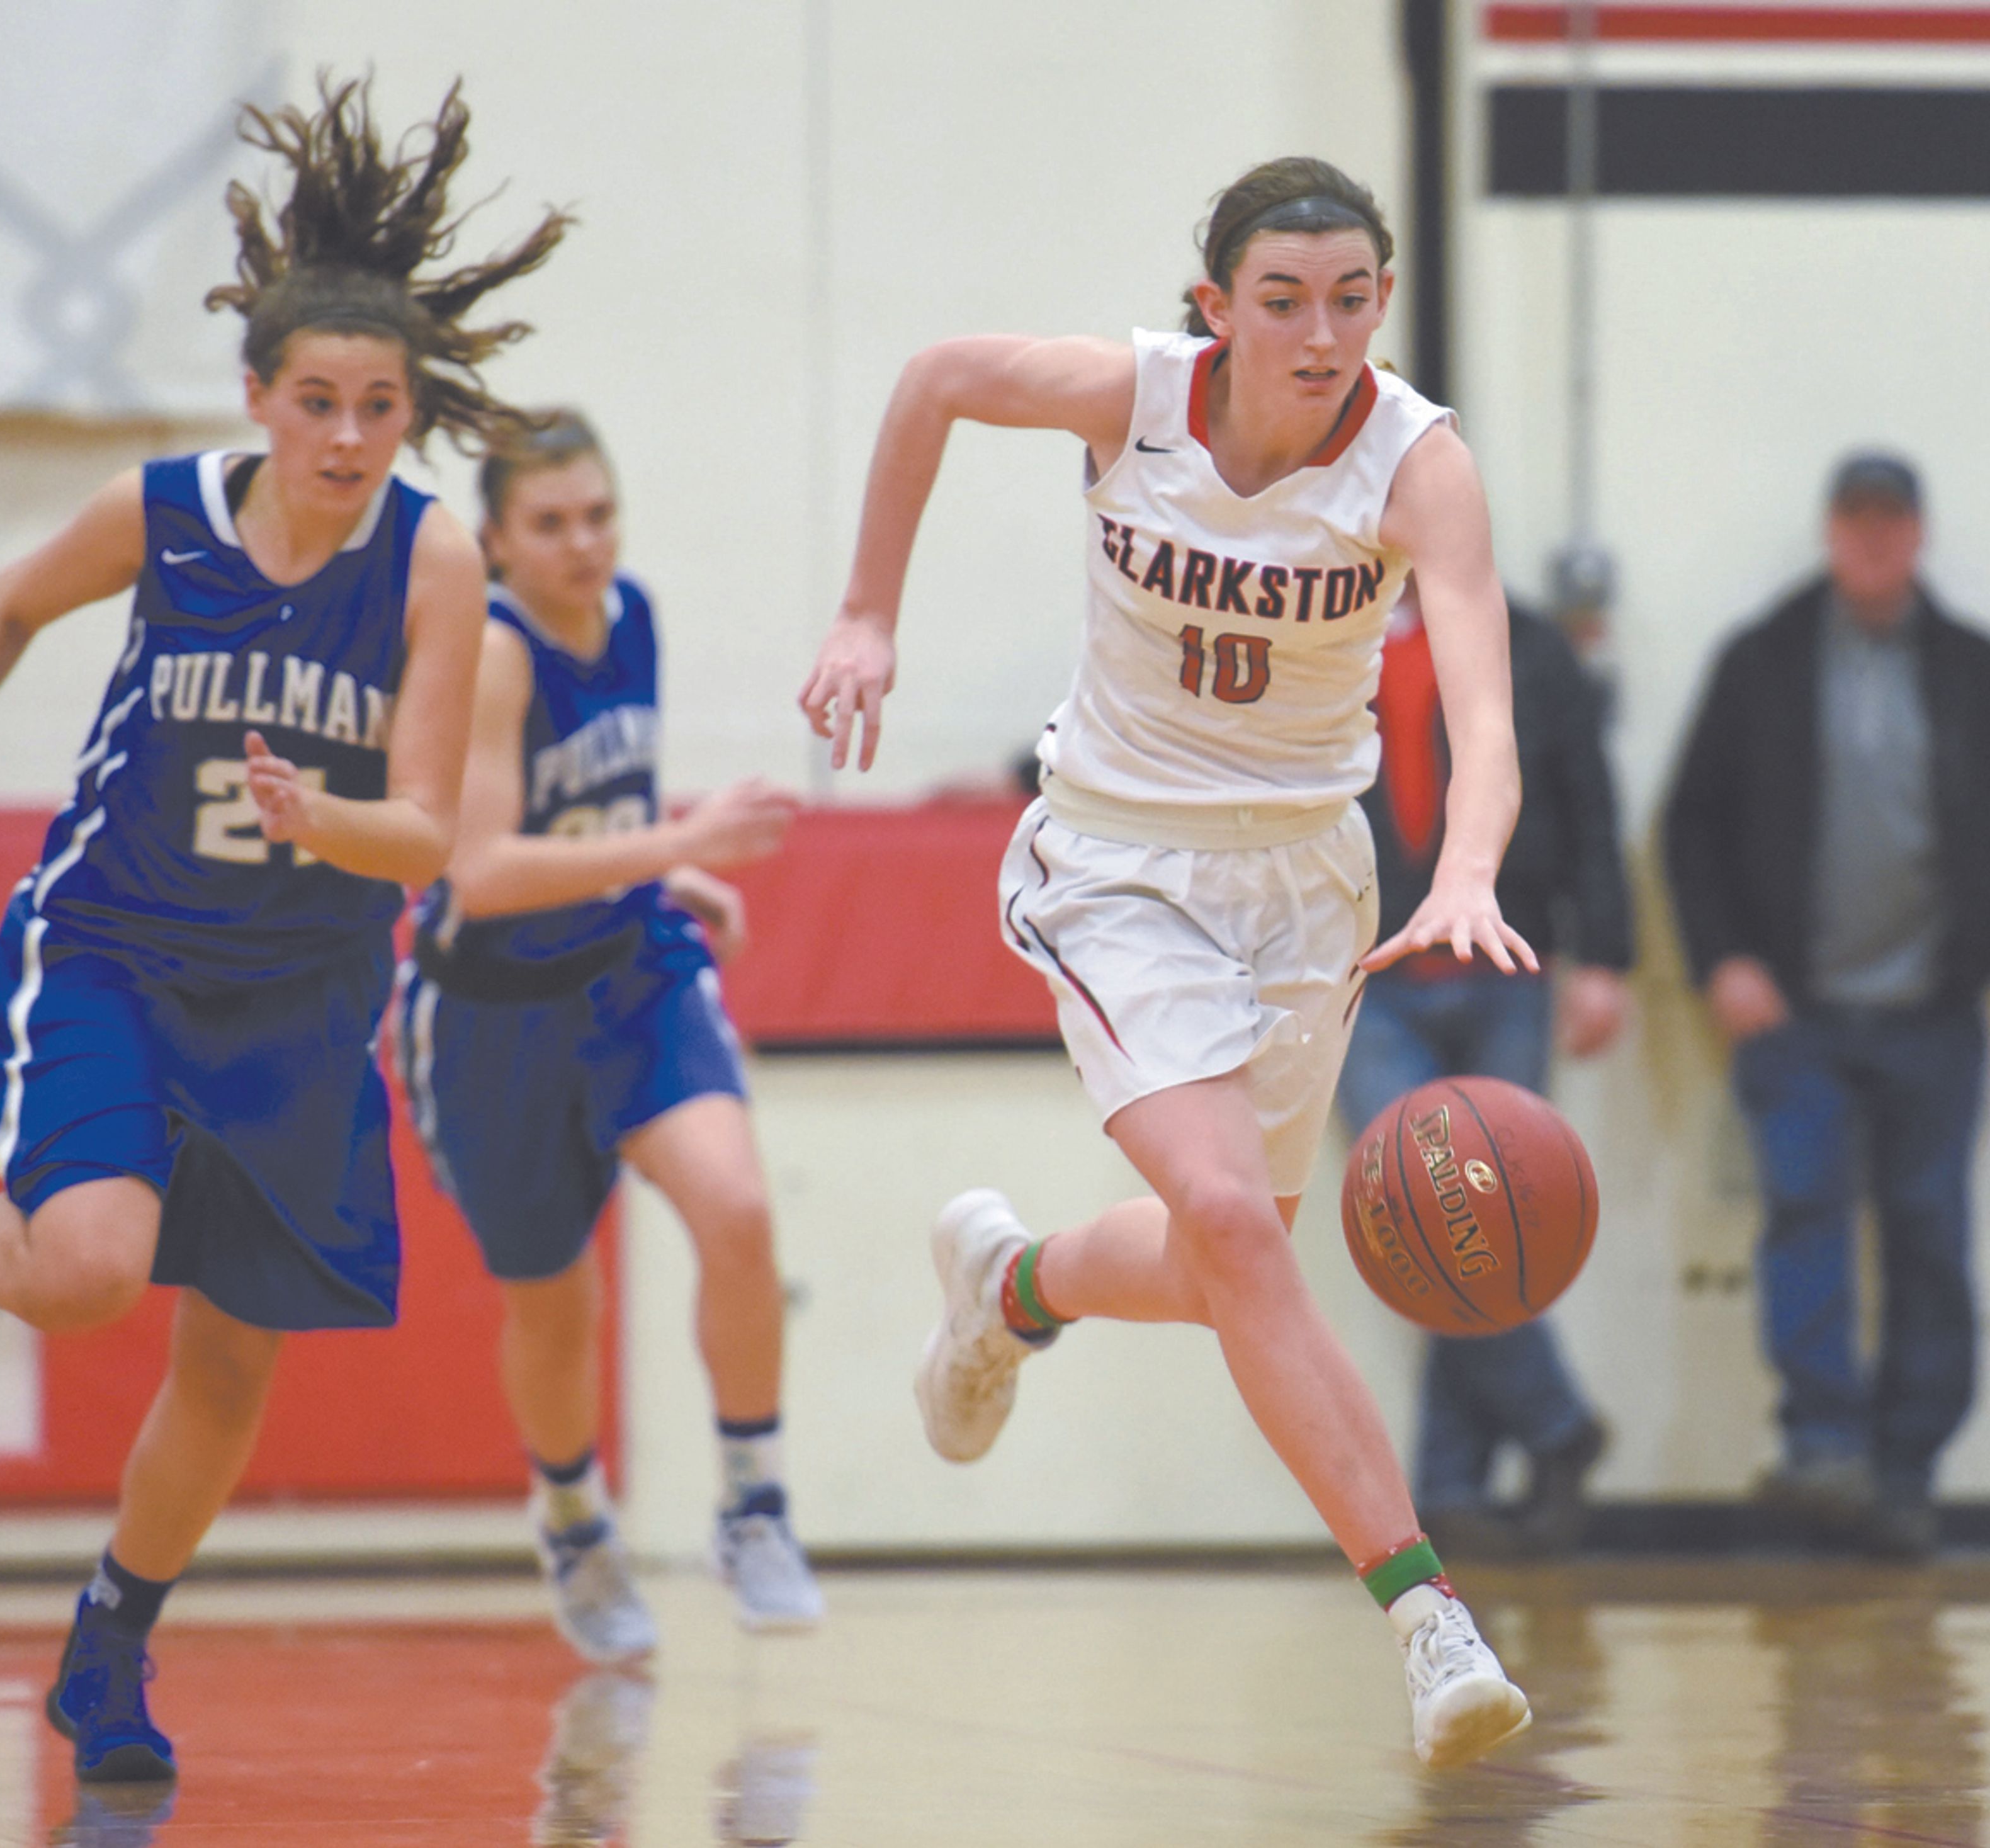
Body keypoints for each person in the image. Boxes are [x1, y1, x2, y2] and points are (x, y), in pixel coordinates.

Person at [0, 80, 567, 1780]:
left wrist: (321, 818)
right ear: (261, 400)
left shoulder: (432, 567)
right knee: (89, 1269)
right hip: (118, 951)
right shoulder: (166, 514)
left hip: (301, 993)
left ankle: (111, 1648)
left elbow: (421, 829)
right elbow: (3, 605)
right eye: (321, 406)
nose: (351, 440)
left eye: (381, 409)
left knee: (228, 1363)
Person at [800, 157, 1537, 1771]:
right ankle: (1425, 1616)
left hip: (1307, 883)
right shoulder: (1126, 399)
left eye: (1352, 298)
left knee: (1235, 1264)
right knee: (1225, 1222)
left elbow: (1486, 713)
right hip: (1119, 858)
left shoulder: (1420, 467)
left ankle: (1012, 1287)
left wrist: (1466, 865)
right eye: (1283, 299)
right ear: (1218, 307)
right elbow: (935, 381)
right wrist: (868, 612)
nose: (1322, 331)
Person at [398, 411, 818, 1661]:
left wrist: (666, 879)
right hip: (494, 1011)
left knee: (737, 1212)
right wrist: (683, 844)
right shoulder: (497, 653)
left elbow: (596, 809)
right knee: (557, 1300)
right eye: (551, 523)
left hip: (631, 970)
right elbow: (480, 866)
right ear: (497, 541)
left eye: (598, 514)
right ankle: (575, 1515)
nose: (583, 543)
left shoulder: (631, 614)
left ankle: (753, 1501)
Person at [1663, 452, 1990, 1559]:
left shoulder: (1968, 667)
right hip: (1793, 1014)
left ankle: (1904, 1472)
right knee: (1804, 1216)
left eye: (1892, 523)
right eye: (1856, 521)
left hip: (1935, 1019)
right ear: (1830, 532)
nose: (1874, 541)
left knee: (1930, 1238)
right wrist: (1724, 962)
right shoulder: (1762, 662)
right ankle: (1823, 1452)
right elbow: (1690, 825)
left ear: (1919, 535)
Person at [1337, 581, 1633, 1560]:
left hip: (1509, 964)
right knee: (1424, 1221)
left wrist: (1610, 959)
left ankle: (1453, 1486)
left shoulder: (1529, 641)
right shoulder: (1314, 628)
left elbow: (1589, 798)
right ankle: (1557, 1428)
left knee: (1472, 1222)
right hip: (1367, 974)